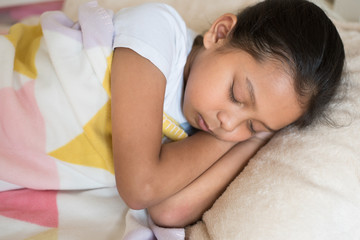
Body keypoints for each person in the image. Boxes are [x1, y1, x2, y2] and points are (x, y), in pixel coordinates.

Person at [110, 0, 344, 228]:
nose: (229, 124)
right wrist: (238, 136)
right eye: (236, 95)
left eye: (253, 125)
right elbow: (140, 188)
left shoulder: (204, 127)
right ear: (220, 34)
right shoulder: (158, 30)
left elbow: (168, 211)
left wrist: (256, 140)